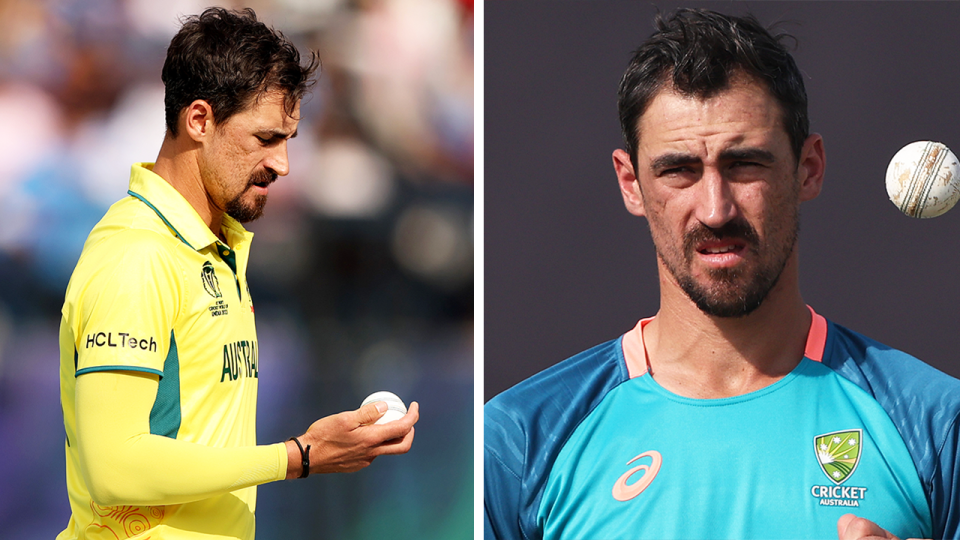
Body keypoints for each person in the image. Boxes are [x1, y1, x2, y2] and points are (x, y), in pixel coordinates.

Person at [484, 8, 960, 540]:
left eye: (745, 164)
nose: (715, 209)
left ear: (809, 168)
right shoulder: (520, 441)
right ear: (630, 183)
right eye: (679, 170)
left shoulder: (937, 425)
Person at [57, 8, 419, 540]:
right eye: (267, 138)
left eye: (289, 139)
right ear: (199, 120)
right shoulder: (137, 258)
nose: (284, 164)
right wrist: (297, 457)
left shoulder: (216, 247)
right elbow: (114, 468)